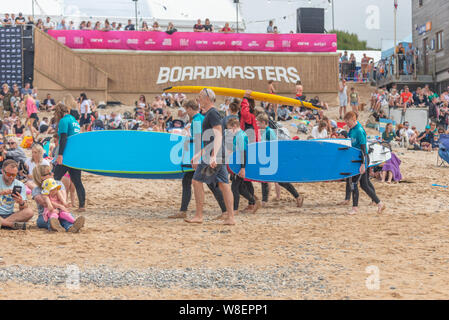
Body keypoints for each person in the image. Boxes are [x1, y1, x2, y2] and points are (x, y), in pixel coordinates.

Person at [169, 100, 227, 219]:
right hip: (208, 153)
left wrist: (196, 157)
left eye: (186, 109)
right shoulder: (202, 117)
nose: (186, 112)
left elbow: (198, 140)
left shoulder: (196, 120)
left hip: (203, 155)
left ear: (190, 109)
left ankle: (184, 211)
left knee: (199, 182)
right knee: (210, 183)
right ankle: (225, 211)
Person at [186, 88, 235, 225]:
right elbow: (212, 139)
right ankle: (231, 217)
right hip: (217, 153)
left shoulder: (212, 113)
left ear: (207, 98)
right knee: (224, 184)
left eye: (200, 97)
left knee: (196, 181)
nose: (198, 100)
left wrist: (213, 156)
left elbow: (218, 134)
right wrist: (198, 154)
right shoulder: (211, 113)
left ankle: (199, 216)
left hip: (214, 154)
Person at [257, 113, 303, 208]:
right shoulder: (265, 132)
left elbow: (274, 146)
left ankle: (298, 196)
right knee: (264, 179)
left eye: (258, 123)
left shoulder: (269, 131)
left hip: (273, 159)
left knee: (280, 181)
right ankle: (264, 201)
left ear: (263, 122)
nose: (257, 125)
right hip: (269, 159)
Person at [344, 112, 386, 215]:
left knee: (355, 183)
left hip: (361, 159)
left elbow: (364, 149)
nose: (347, 124)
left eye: (348, 122)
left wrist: (363, 164)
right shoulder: (352, 129)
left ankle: (355, 208)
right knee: (364, 185)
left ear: (353, 119)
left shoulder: (359, 130)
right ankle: (379, 203)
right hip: (356, 159)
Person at [32, 165, 85, 232]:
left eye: (51, 172)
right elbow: (45, 203)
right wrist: (60, 206)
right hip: (46, 214)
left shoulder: (58, 184)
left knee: (65, 217)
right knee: (47, 220)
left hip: (61, 211)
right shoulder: (36, 190)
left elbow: (63, 199)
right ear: (41, 177)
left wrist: (63, 205)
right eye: (49, 173)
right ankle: (53, 227)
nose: (52, 174)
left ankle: (71, 227)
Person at [53, 103, 86, 212]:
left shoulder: (64, 120)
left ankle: (55, 202)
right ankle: (82, 206)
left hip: (67, 155)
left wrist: (60, 155)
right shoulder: (74, 120)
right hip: (76, 155)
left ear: (59, 112)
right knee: (77, 181)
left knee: (54, 178)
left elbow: (63, 138)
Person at [227, 118, 260, 215]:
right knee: (240, 188)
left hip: (241, 164)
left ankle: (235, 210)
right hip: (238, 163)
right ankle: (254, 201)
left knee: (234, 187)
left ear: (234, 126)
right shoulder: (238, 135)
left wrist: (242, 168)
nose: (228, 131)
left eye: (229, 129)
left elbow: (243, 152)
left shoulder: (240, 136)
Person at [0, 160, 33, 230]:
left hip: (9, 215)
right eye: (9, 174)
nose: (11, 177)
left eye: (14, 175)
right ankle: (10, 224)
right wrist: (2, 193)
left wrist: (21, 202)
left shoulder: (19, 184)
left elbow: (23, 208)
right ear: (2, 171)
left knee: (29, 212)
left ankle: (3, 223)